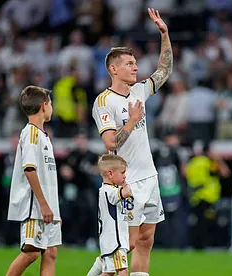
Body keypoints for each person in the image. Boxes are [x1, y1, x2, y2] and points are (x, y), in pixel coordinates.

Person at [89, 8, 173, 276]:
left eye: (135, 63)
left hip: (150, 176)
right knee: (128, 243)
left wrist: (165, 34)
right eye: (129, 63)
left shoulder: (139, 91)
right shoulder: (104, 101)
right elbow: (110, 143)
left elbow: (164, 70)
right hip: (129, 180)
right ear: (113, 68)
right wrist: (132, 120)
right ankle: (97, 269)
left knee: (146, 241)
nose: (136, 67)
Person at [6, 86, 61, 276]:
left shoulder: (44, 136)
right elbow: (29, 169)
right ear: (44, 106)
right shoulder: (30, 133)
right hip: (35, 206)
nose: (52, 108)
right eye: (51, 104)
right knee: (31, 252)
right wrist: (44, 205)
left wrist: (53, 209)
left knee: (51, 253)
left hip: (48, 207)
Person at [96, 154, 133, 276]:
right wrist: (126, 184)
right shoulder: (109, 191)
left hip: (111, 240)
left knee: (108, 272)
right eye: (122, 172)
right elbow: (127, 192)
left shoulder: (106, 190)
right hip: (115, 240)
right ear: (110, 174)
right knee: (123, 271)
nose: (125, 176)